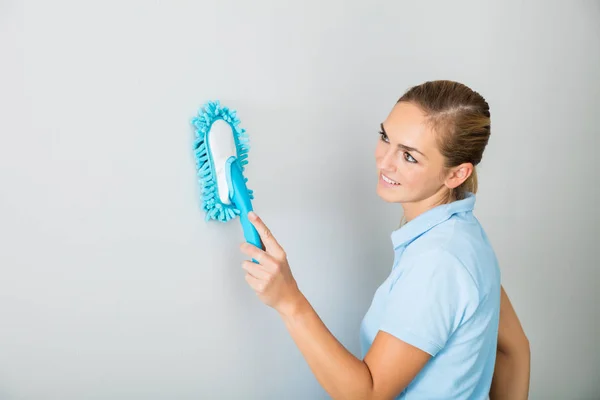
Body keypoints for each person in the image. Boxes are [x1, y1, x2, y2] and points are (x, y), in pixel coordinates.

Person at [239, 80, 530, 399]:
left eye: (409, 156)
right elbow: (513, 350)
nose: (384, 161)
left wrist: (289, 301)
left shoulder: (439, 262)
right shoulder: (464, 236)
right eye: (385, 138)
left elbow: (369, 394)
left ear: (456, 174)